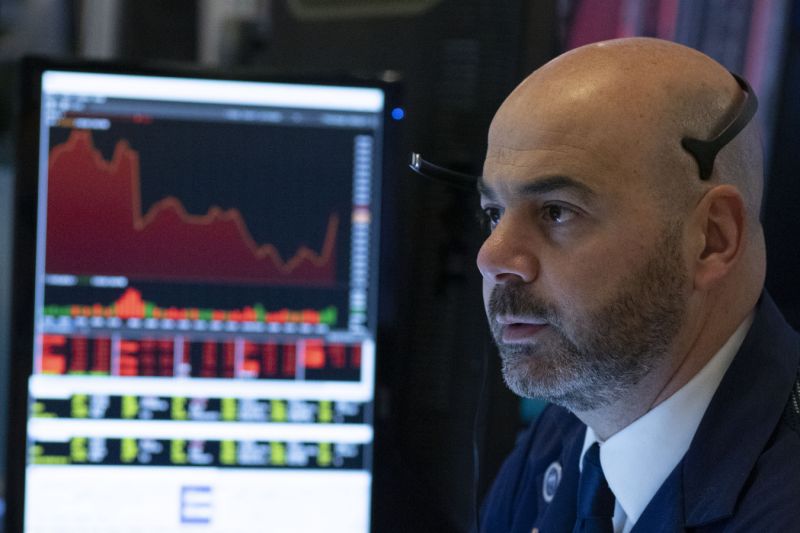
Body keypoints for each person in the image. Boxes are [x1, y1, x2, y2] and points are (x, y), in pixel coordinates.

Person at [475, 37, 800, 532]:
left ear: (712, 239)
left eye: (557, 211)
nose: (493, 256)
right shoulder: (567, 430)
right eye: (494, 213)